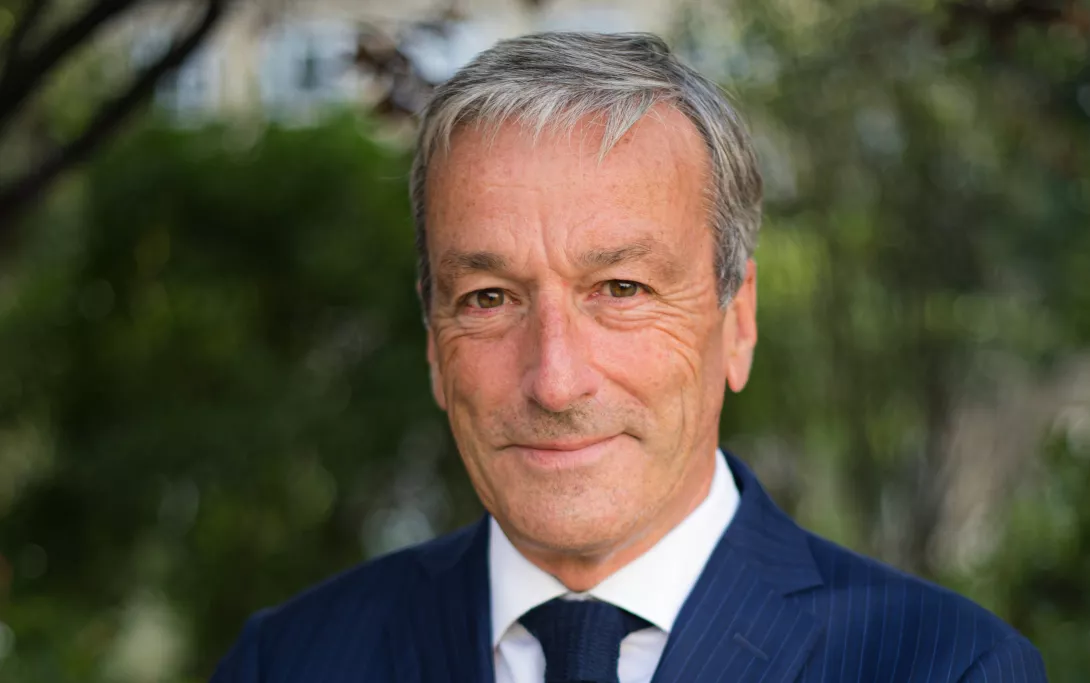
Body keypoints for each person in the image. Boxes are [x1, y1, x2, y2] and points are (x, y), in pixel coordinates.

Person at [211, 32, 1047, 683]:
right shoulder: (286, 662)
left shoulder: (945, 667)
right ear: (434, 342)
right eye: (489, 298)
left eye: (621, 288)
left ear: (737, 321)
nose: (556, 379)